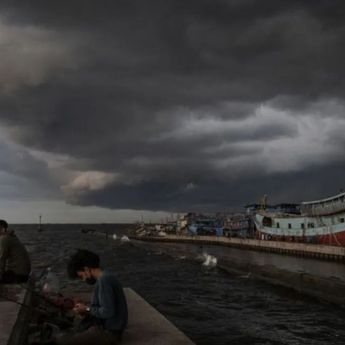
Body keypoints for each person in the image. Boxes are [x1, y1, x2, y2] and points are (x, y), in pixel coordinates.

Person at [58, 249, 128, 345]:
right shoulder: (106, 276)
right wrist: (85, 308)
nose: (83, 280)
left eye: (81, 276)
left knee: (64, 341)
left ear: (86, 269)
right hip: (112, 329)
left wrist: (86, 308)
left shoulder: (104, 281)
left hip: (109, 333)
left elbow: (107, 312)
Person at [0, 219, 31, 283]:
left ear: (2, 228)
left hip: (17, 275)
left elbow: (1, 259)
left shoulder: (4, 238)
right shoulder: (11, 236)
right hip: (23, 274)